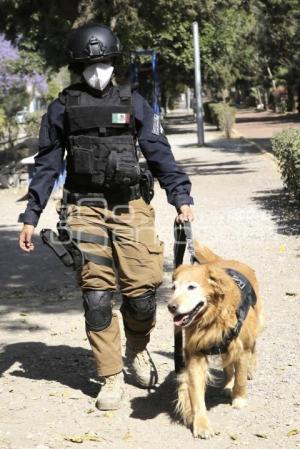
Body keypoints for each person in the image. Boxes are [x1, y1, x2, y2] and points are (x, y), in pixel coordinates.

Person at [18, 23, 194, 410]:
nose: (97, 70)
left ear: (114, 61)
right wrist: (31, 214)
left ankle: (137, 347)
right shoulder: (62, 107)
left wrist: (180, 195)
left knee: (142, 296)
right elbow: (47, 165)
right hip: (84, 208)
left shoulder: (136, 102)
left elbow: (158, 152)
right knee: (97, 296)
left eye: (103, 62)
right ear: (78, 67)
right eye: (88, 64)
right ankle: (110, 375)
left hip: (131, 206)